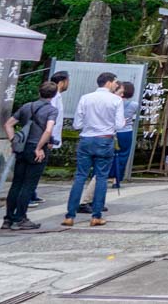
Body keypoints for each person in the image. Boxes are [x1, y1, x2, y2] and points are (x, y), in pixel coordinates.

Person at [63, 72, 123, 227]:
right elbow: (119, 125)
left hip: (86, 139)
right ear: (109, 83)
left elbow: (77, 124)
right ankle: (96, 215)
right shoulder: (116, 100)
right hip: (105, 139)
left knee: (80, 177)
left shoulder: (86, 98)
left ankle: (70, 216)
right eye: (115, 82)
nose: (116, 85)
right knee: (101, 177)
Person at [2, 81, 59, 230]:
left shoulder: (27, 106)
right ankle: (20, 218)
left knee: (17, 183)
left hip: (22, 148)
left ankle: (8, 218)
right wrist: (40, 147)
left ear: (39, 92)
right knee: (29, 184)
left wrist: (14, 141)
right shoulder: (52, 110)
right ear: (53, 95)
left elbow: (8, 124)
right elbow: (48, 130)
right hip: (36, 148)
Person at [31, 70, 69, 206]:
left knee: (39, 167)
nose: (67, 84)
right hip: (45, 137)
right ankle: (29, 194)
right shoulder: (53, 98)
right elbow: (48, 120)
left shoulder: (57, 97)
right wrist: (49, 139)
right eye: (67, 81)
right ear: (61, 82)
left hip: (49, 136)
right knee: (37, 166)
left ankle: (32, 193)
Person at [110, 80, 138, 188]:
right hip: (126, 132)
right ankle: (116, 180)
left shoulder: (113, 102)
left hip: (112, 131)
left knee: (110, 155)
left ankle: (107, 176)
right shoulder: (134, 104)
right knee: (123, 155)